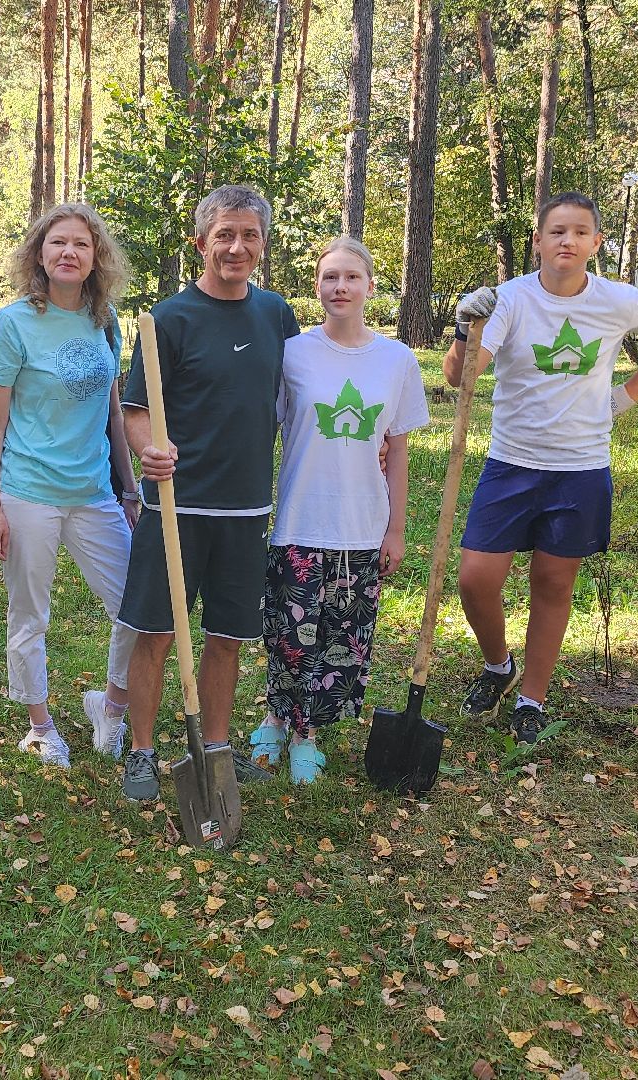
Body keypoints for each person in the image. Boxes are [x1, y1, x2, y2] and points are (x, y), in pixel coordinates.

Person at [442, 191, 638, 742]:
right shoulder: (509, 300)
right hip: (512, 462)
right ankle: (498, 666)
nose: (568, 241)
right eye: (557, 231)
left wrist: (631, 392)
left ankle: (531, 698)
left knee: (553, 583)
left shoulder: (617, 301)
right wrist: (465, 329)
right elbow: (462, 378)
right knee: (475, 579)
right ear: (538, 240)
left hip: (580, 468)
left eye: (580, 232)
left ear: (596, 243)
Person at [117, 184, 302, 802]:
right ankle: (141, 751)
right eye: (225, 235)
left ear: (263, 244)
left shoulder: (276, 315)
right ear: (201, 243)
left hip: (246, 508)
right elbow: (137, 410)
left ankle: (216, 748)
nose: (236, 247)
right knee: (156, 632)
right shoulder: (168, 319)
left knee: (227, 636)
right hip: (177, 505)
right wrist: (150, 449)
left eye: (249, 236)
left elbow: (305, 392)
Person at [249, 236, 429, 783]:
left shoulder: (396, 360)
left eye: (351, 277)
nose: (340, 287)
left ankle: (307, 733)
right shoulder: (293, 353)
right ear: (317, 286)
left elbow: (397, 449)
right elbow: (264, 426)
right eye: (330, 277)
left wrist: (396, 529)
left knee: (340, 637)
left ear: (370, 285)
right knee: (289, 634)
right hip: (301, 519)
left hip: (362, 526)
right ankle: (276, 719)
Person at [0, 203, 142, 767]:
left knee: (137, 606)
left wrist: (129, 490)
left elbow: (114, 412)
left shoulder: (107, 321)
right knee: (30, 615)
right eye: (58, 243)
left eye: (81, 244)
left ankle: (111, 709)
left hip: (94, 493)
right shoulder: (15, 323)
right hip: (29, 492)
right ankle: (41, 727)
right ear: (40, 254)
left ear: (97, 257)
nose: (68, 252)